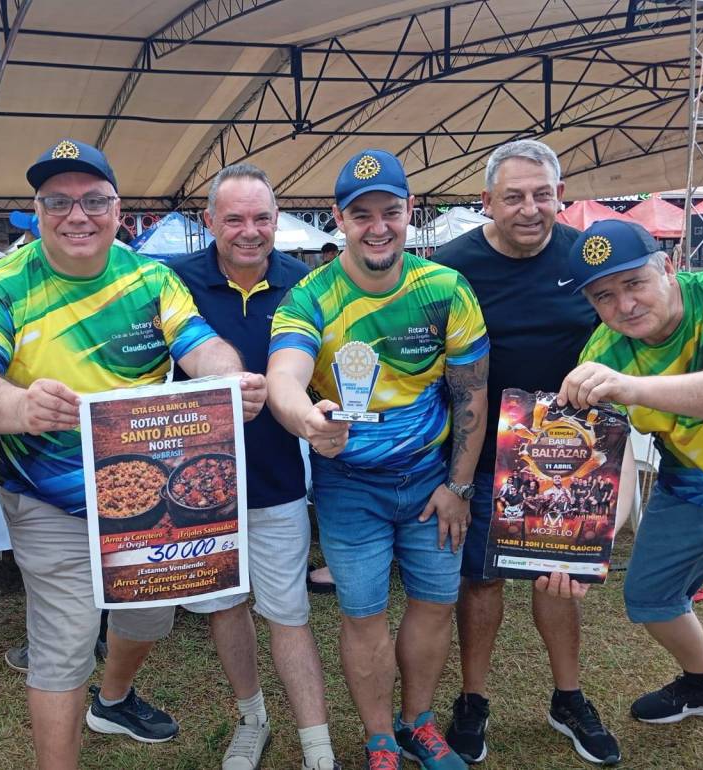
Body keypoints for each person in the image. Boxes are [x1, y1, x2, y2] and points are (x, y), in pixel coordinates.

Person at [0, 138, 266, 770]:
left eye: (94, 201)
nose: (77, 215)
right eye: (57, 202)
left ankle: (112, 699)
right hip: (49, 499)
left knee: (148, 619)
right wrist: (21, 407)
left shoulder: (151, 279)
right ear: (36, 211)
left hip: (148, 499)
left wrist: (228, 382)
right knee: (63, 646)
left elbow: (200, 345)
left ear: (118, 210)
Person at [268, 148, 489, 770]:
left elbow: (471, 393)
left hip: (431, 482)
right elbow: (284, 374)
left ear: (409, 210)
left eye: (390, 211)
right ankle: (379, 739)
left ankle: (418, 723)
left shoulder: (444, 288)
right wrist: (307, 420)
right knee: (363, 613)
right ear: (339, 218)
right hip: (348, 486)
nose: (377, 227)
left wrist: (458, 488)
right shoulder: (310, 296)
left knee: (434, 604)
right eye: (361, 214)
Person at [433, 139, 622, 766]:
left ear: (560, 195)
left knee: (558, 583)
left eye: (542, 194)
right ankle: (473, 700)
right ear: (486, 201)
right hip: (485, 455)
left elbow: (625, 329)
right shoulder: (453, 266)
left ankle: (568, 697)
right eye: (512, 197)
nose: (530, 208)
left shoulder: (588, 254)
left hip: (574, 455)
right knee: (481, 580)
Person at [553, 218, 703, 765]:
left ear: (668, 266)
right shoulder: (602, 352)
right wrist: (584, 547)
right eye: (604, 296)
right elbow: (602, 466)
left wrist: (634, 388)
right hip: (686, 489)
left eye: (634, 282)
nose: (625, 305)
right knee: (649, 598)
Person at [168, 163, 339, 770]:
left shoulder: (305, 285)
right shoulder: (174, 283)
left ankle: (317, 745)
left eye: (261, 218)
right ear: (209, 220)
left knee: (288, 613)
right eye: (234, 218)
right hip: (199, 489)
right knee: (224, 605)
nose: (249, 231)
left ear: (277, 219)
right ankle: (252, 718)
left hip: (276, 482)